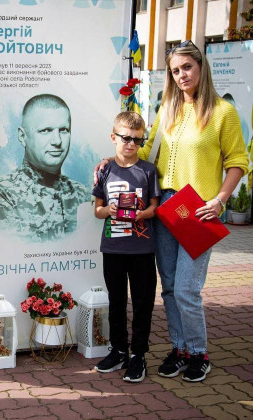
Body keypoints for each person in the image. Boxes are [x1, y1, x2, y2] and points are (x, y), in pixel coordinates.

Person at [95, 40, 248, 382]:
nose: (182, 75)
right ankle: (179, 350)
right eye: (175, 70)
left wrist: (220, 200)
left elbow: (238, 160)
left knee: (186, 290)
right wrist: (112, 160)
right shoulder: (168, 109)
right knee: (168, 287)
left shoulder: (223, 112)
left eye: (187, 67)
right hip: (164, 206)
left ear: (201, 66)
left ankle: (198, 353)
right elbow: (147, 149)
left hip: (198, 209)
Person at [92, 111, 161, 383]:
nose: (131, 144)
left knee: (143, 303)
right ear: (114, 137)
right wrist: (108, 210)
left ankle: (138, 355)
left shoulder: (148, 170)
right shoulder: (104, 170)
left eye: (137, 140)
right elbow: (97, 210)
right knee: (116, 302)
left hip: (142, 250)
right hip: (113, 249)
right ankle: (119, 350)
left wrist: (143, 214)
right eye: (126, 138)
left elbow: (155, 206)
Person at [0, 94, 90, 242]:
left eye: (63, 130)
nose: (57, 141)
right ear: (22, 137)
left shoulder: (83, 194)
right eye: (45, 130)